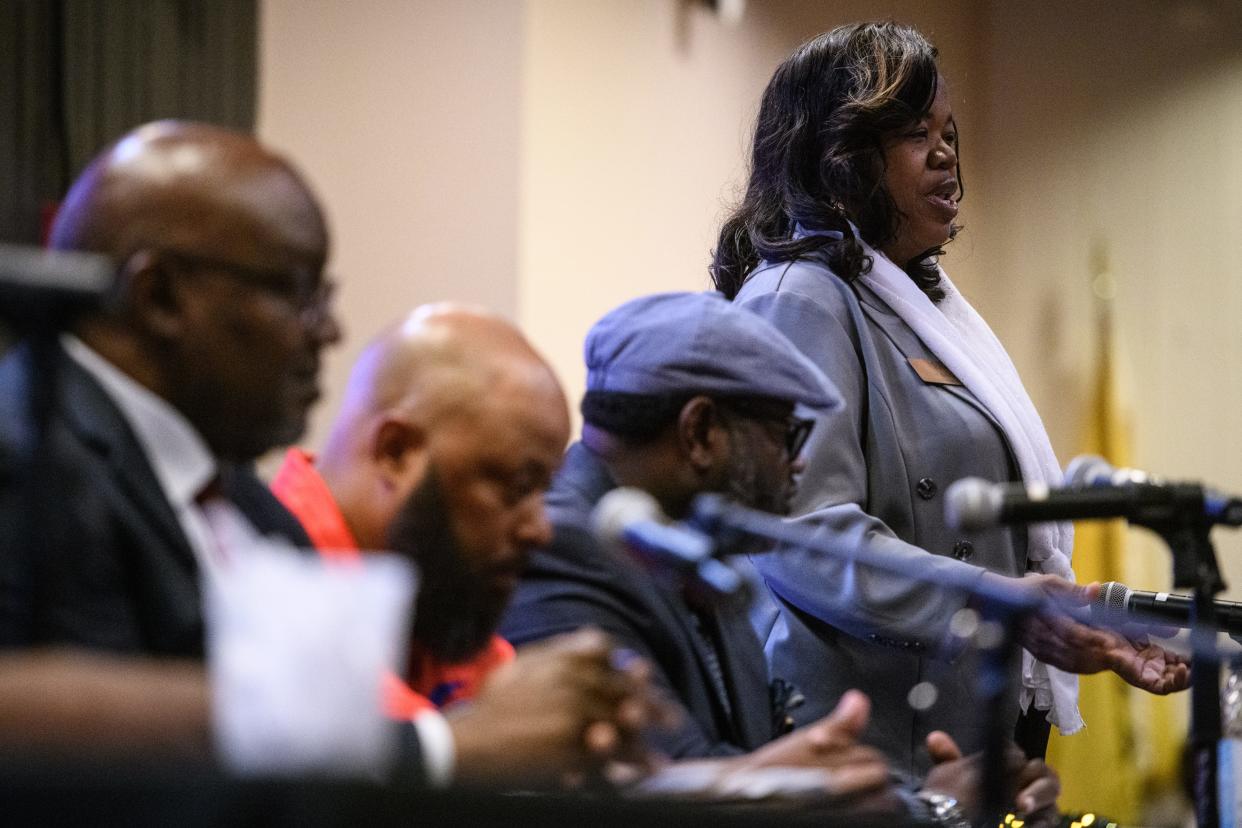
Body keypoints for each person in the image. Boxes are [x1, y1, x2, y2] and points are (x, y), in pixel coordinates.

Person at [710, 21, 1188, 777]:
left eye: (947, 131)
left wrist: (1067, 617)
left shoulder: (924, 313)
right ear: (838, 158)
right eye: (910, 134)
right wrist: (1003, 603)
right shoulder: (799, 298)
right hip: (862, 747)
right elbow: (809, 541)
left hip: (961, 732)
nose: (945, 153)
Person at [500, 291, 1060, 822]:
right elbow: (678, 792)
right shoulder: (561, 550)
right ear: (699, 432)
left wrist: (944, 793)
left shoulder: (693, 547)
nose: (799, 467)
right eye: (787, 437)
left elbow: (761, 759)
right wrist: (936, 810)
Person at [271, 304, 659, 789]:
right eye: (517, 486)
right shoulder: (264, 570)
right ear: (396, 452)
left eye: (545, 490)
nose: (540, 529)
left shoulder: (433, 588)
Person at [0, 120, 339, 655]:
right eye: (297, 292)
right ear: (158, 297)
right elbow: (81, 722)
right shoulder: (26, 464)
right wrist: (439, 741)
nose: (329, 330)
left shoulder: (248, 507)